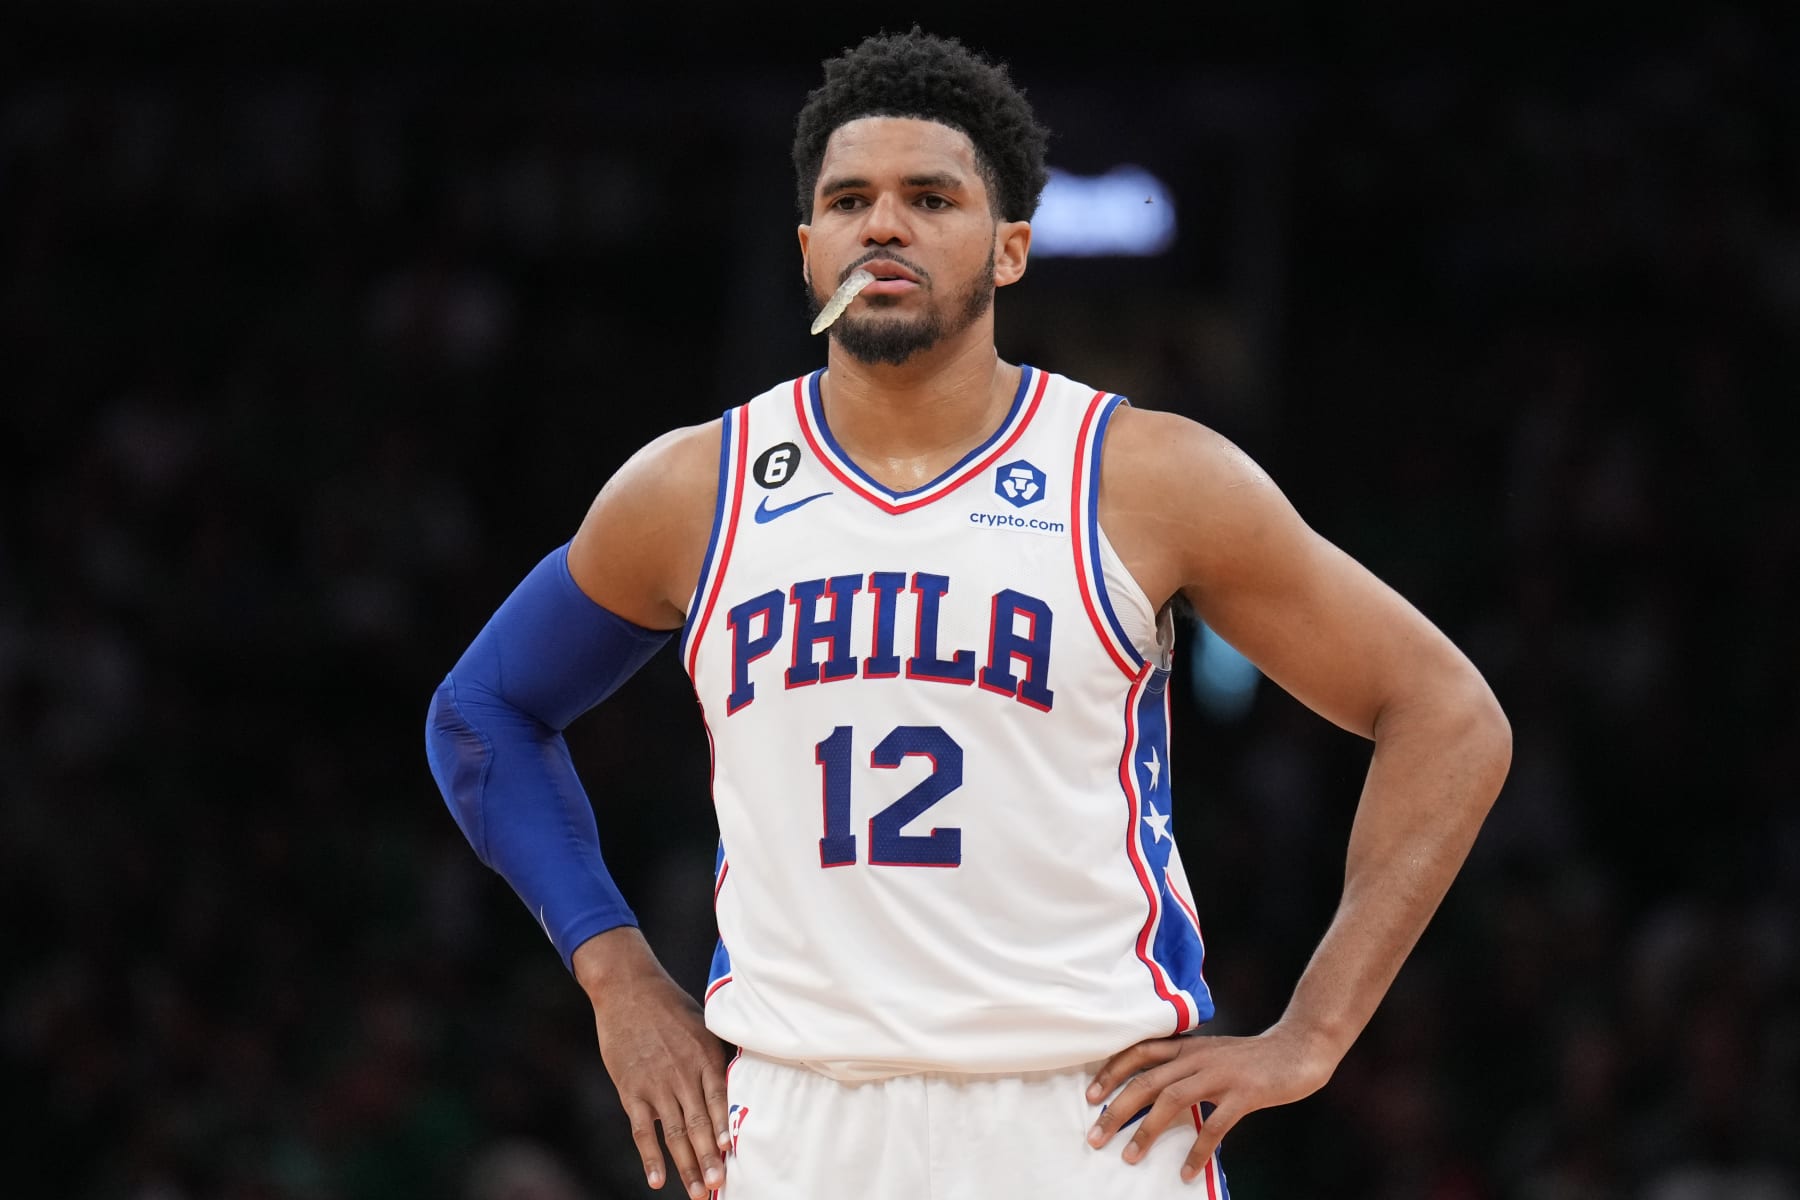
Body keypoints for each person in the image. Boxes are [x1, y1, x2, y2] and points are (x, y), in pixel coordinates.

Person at [425, 28, 1511, 1200]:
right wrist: (619, 979)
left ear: (1011, 248)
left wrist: (1315, 1033)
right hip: (795, 1117)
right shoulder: (696, 488)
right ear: (808, 248)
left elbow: (1447, 715)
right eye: (849, 201)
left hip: (1085, 1120)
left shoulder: (1144, 475)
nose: (883, 227)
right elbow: (483, 713)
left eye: (930, 198)